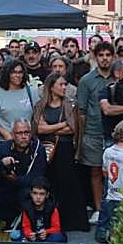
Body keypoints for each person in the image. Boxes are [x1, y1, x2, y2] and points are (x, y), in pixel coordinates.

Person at [33, 74, 88, 230]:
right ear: (51, 87)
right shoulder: (40, 105)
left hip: (65, 149)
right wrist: (62, 125)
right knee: (50, 184)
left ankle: (71, 222)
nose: (64, 88)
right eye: (61, 84)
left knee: (68, 184)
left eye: (65, 84)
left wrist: (50, 128)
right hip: (47, 150)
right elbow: (38, 129)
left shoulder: (70, 105)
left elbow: (72, 129)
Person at [0, 118, 46, 227]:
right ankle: (11, 217)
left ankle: (25, 219)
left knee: (30, 195)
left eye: (26, 132)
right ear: (13, 135)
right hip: (6, 188)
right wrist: (2, 164)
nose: (24, 136)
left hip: (26, 189)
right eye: (19, 133)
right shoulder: (2, 148)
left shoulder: (38, 149)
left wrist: (16, 180)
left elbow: (38, 177)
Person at [76, 41, 116, 223]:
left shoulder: (118, 77)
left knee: (115, 174)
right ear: (95, 57)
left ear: (113, 57)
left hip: (116, 132)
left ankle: (115, 209)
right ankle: (99, 209)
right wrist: (82, 136)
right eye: (101, 55)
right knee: (96, 172)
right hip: (93, 132)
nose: (105, 59)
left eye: (108, 55)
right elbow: (81, 111)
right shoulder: (86, 80)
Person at [11, 178, 65, 243]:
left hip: (47, 237)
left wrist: (46, 232)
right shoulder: (27, 208)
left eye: (42, 194)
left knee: (58, 237)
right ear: (31, 194)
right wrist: (29, 234)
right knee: (14, 235)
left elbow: (56, 228)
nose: (38, 197)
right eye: (35, 193)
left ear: (47, 195)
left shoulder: (52, 208)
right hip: (33, 236)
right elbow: (26, 227)